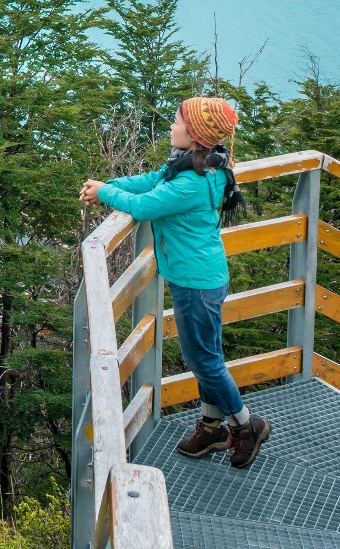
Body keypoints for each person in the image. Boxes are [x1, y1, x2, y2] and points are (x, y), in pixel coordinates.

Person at [80, 95, 269, 468]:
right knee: (206, 357)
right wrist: (110, 183)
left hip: (196, 283)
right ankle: (212, 426)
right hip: (204, 276)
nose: (171, 126)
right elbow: (152, 182)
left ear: (195, 135)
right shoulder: (198, 167)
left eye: (177, 122)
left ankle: (246, 426)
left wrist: (105, 192)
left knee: (204, 360)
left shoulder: (192, 183)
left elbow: (145, 206)